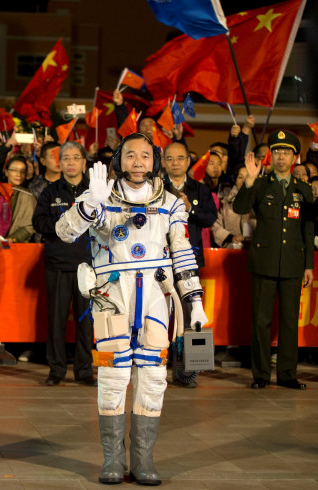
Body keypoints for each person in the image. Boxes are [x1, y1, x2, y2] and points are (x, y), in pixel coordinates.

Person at [56, 133, 208, 485]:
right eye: (130, 155)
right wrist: (90, 205)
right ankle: (112, 459)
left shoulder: (171, 203)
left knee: (154, 378)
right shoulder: (99, 196)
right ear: (118, 160)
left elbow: (183, 251)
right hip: (111, 296)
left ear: (155, 160)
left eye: (144, 155)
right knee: (112, 377)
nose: (137, 162)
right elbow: (64, 232)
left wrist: (194, 301)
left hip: (156, 295)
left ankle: (143, 459)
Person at [233, 130, 313, 390]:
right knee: (261, 320)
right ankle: (261, 375)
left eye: (286, 152)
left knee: (290, 321)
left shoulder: (303, 190)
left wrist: (309, 265)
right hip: (264, 261)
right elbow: (240, 208)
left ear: (295, 157)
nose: (281, 157)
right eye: (277, 152)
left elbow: (307, 229)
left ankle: (288, 374)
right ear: (271, 155)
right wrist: (249, 181)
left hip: (292, 262)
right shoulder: (260, 184)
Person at [33, 141, 94, 387]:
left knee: (86, 322)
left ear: (84, 162)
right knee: (56, 321)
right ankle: (56, 370)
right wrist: (64, 225)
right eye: (65, 158)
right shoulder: (50, 192)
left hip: (89, 266)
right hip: (58, 263)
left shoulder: (94, 191)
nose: (70, 162)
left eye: (75, 157)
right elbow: (38, 222)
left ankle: (84, 370)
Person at [162, 142, 217, 388]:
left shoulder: (200, 190)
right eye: (170, 158)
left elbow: (210, 218)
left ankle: (185, 373)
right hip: (159, 261)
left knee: (188, 319)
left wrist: (189, 208)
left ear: (188, 161)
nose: (175, 162)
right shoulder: (155, 188)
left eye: (180, 158)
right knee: (158, 316)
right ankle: (154, 367)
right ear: (163, 162)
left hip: (188, 262)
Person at [212, 165, 254, 249]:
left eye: (248, 177)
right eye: (240, 177)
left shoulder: (259, 201)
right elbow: (215, 226)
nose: (244, 181)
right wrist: (230, 237)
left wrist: (246, 237)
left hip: (254, 248)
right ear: (235, 179)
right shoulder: (225, 201)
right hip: (231, 248)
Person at [3, 156, 37, 243]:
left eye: (22, 171)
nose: (19, 174)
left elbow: (30, 225)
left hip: (17, 244)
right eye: (14, 170)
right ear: (6, 172)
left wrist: (14, 238)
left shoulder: (28, 196)